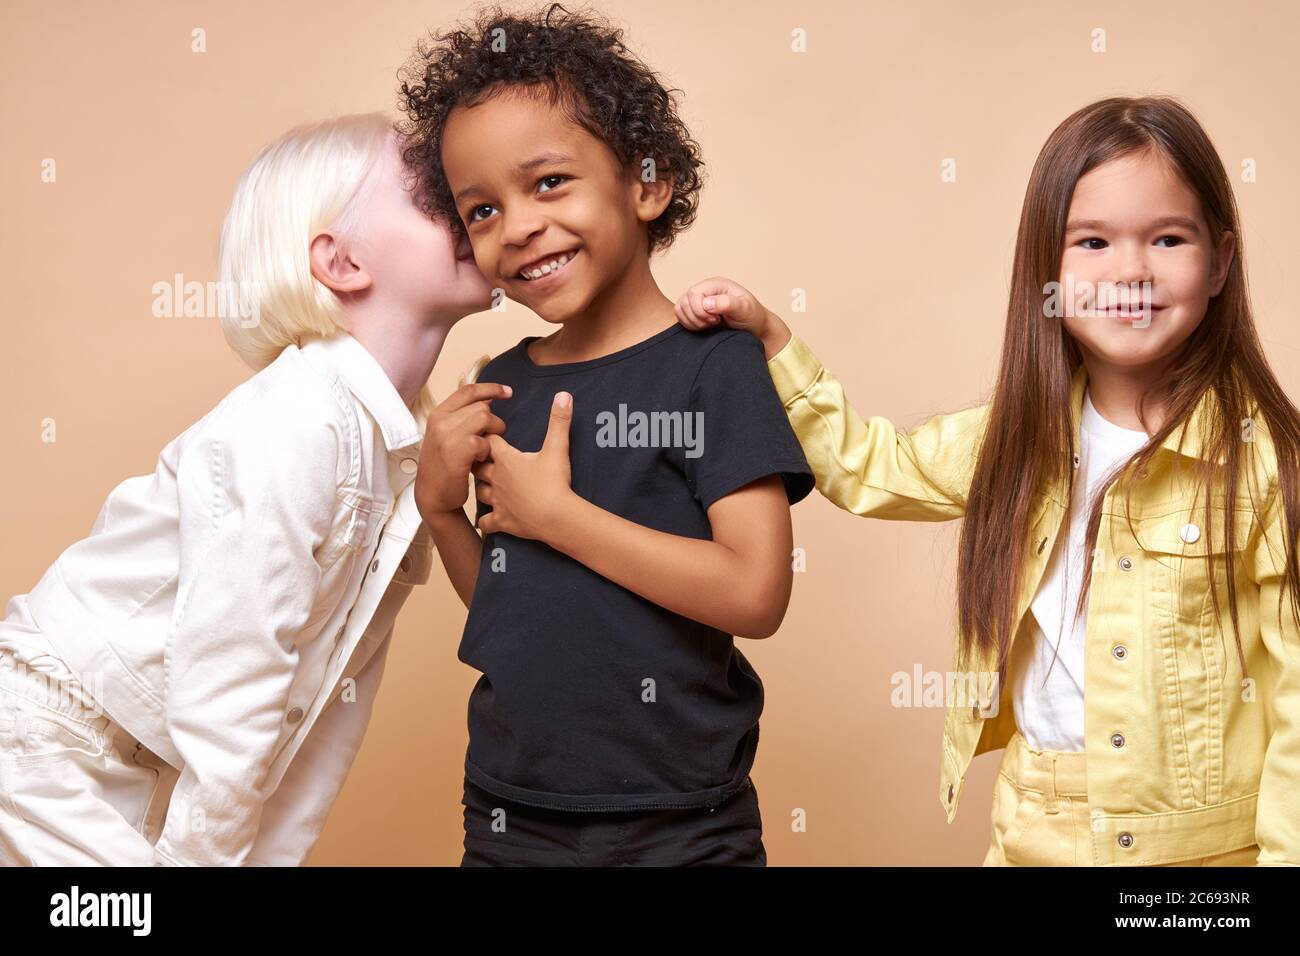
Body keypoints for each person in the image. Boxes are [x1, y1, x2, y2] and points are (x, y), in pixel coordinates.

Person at [675, 96, 1300, 866]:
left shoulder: (1263, 460)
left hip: (1198, 850)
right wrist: (772, 338)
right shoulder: (1017, 441)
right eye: (1093, 241)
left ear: (1221, 263)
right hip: (1033, 822)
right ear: (1047, 269)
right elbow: (872, 466)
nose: (1130, 271)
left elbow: (1294, 702)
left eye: (1168, 238)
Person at [0, 112, 494, 866]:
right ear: (340, 261)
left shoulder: (404, 454)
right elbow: (232, 679)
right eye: (431, 191)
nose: (469, 200)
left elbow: (323, 712)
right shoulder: (296, 420)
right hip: (39, 741)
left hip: (128, 762)